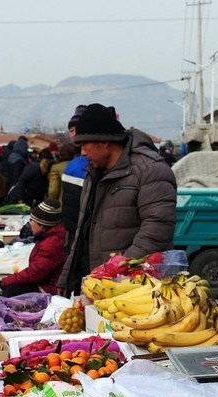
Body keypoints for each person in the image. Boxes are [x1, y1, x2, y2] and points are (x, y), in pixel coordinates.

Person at [57, 103, 177, 296]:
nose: (82, 153)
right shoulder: (92, 173)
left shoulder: (150, 170)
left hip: (132, 289)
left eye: (85, 145)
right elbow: (82, 230)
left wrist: (115, 272)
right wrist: (67, 274)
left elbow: (156, 231)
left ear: (104, 142)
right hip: (96, 284)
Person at [0, 199, 65, 296]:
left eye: (32, 220)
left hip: (50, 289)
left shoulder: (52, 243)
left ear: (42, 225)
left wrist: (2, 284)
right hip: (45, 283)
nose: (30, 223)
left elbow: (35, 273)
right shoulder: (49, 238)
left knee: (12, 291)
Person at [59, 106, 89, 252]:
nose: (74, 135)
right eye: (71, 130)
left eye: (77, 129)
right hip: (73, 232)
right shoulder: (75, 163)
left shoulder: (89, 164)